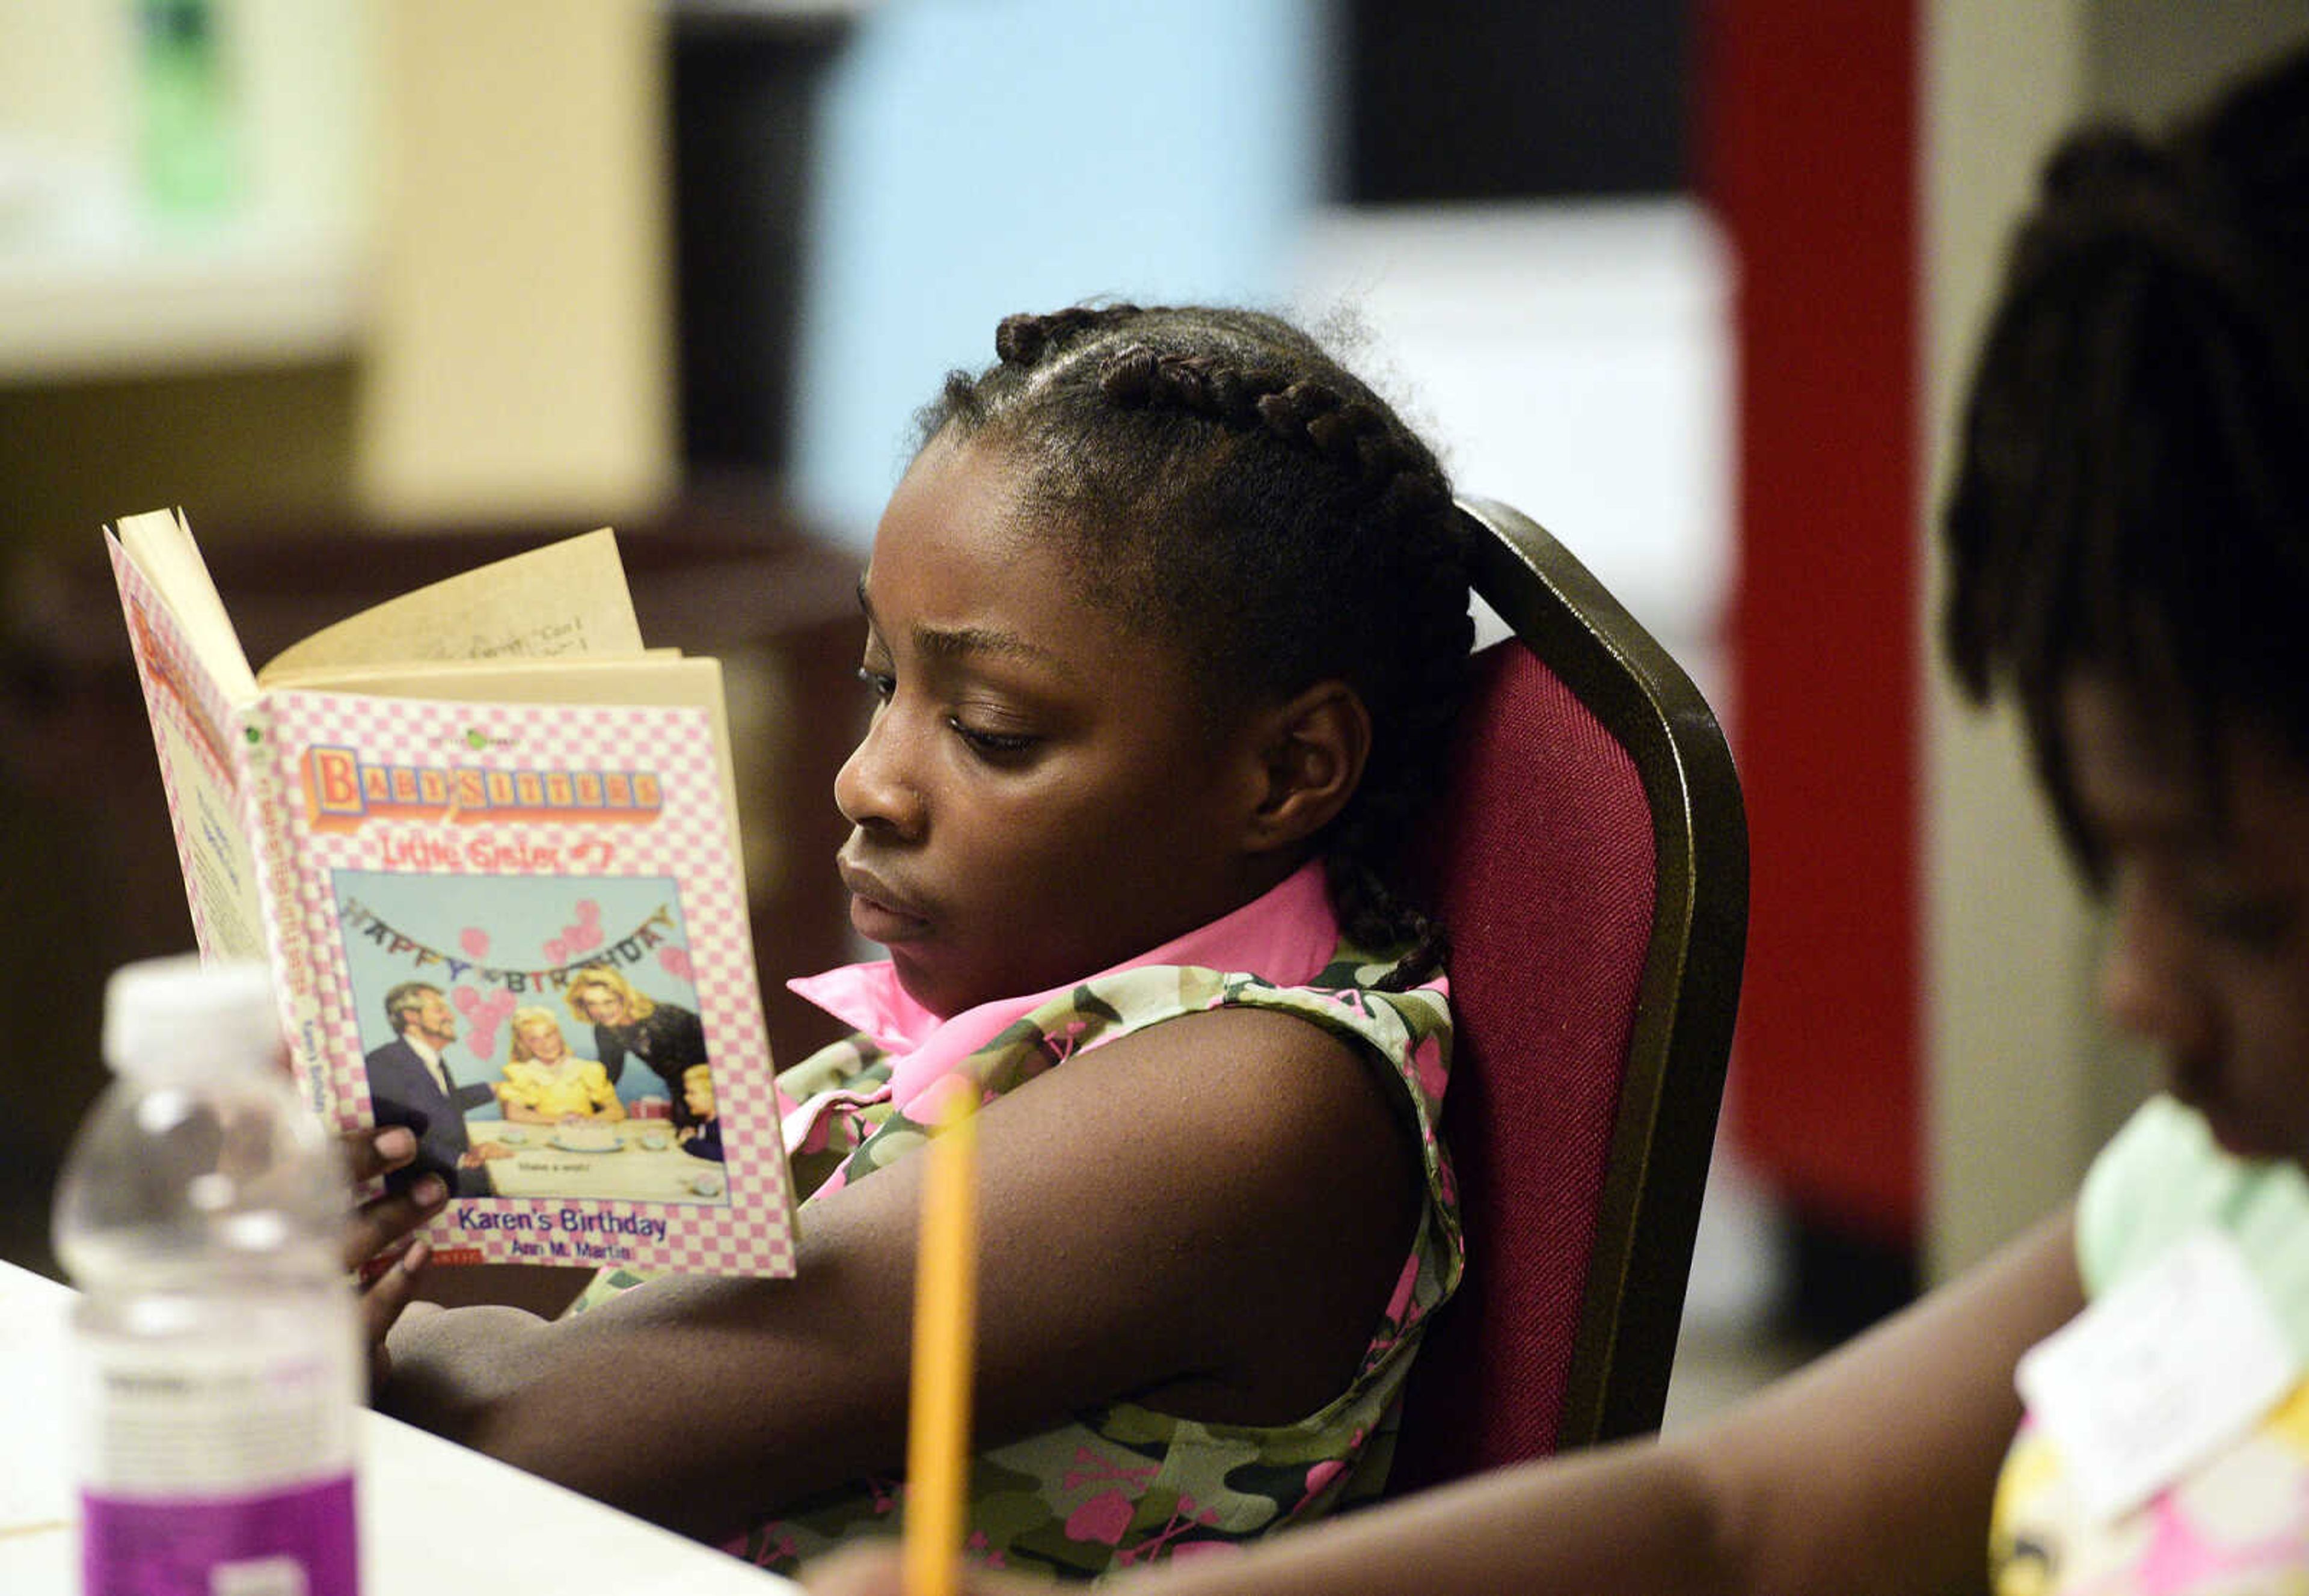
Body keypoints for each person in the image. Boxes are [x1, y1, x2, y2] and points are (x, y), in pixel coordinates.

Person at [800, 41, 2309, 1596]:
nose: (2135, 989)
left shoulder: (1257, 1096)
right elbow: (1735, 1514)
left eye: (2246, 906)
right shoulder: (2218, 1189)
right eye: (2123, 874)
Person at [365, 302, 1477, 1578]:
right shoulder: (1009, 1017)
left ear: (1290, 769)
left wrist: (347, 1323)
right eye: (882, 681)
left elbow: (526, 1426)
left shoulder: (1251, 1107)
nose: (866, 784)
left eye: (994, 727)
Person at [363, 980, 505, 1199]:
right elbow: (398, 1132)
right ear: (411, 1016)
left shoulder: (427, 1057)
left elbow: (439, 1104)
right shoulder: (382, 1063)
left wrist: (493, 1089)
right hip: (427, 1187)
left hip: (450, 1170)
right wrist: (462, 1160)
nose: (451, 1017)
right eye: (440, 1010)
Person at [565, 963, 708, 1123]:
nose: (602, 1011)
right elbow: (608, 1075)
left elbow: (696, 1070)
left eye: (609, 1002)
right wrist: (583, 1108)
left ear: (624, 998)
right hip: (685, 1090)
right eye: (592, 1004)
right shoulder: (605, 1029)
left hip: (710, 1083)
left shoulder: (664, 1019)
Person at [494, 1005, 624, 1125]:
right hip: (547, 1137)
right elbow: (514, 1113)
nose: (545, 1044)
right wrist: (560, 1120)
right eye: (534, 1039)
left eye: (549, 1035)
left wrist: (587, 1122)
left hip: (585, 1135)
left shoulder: (586, 1069)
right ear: (525, 1045)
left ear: (559, 1035)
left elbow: (617, 1111)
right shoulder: (525, 1073)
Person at [676, 1062, 722, 1161]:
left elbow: (722, 1153)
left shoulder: (721, 1126)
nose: (686, 1098)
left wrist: (690, 1142)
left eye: (692, 1093)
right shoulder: (706, 1121)